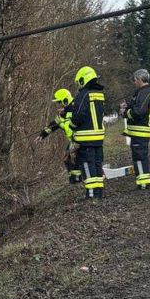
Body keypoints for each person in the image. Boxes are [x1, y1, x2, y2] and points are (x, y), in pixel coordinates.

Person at [70, 65, 106, 199]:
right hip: (98, 138)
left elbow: (78, 114)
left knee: (86, 165)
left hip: (85, 139)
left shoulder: (83, 94)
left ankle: (91, 195)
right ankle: (98, 193)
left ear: (82, 80)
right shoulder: (100, 94)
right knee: (97, 165)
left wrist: (72, 124)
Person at [120, 68, 150, 190]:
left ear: (140, 80)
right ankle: (143, 182)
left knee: (139, 158)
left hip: (139, 132)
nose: (134, 82)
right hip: (143, 131)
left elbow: (139, 112)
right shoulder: (147, 93)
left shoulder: (144, 93)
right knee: (141, 157)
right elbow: (139, 107)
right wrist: (128, 106)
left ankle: (142, 184)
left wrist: (125, 112)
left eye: (135, 80)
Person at [39, 88, 82, 183]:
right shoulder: (61, 115)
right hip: (74, 140)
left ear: (65, 101)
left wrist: (67, 111)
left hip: (81, 139)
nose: (58, 105)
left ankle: (78, 177)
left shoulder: (76, 109)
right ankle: (75, 178)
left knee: (72, 156)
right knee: (67, 158)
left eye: (59, 102)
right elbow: (53, 125)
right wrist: (42, 134)